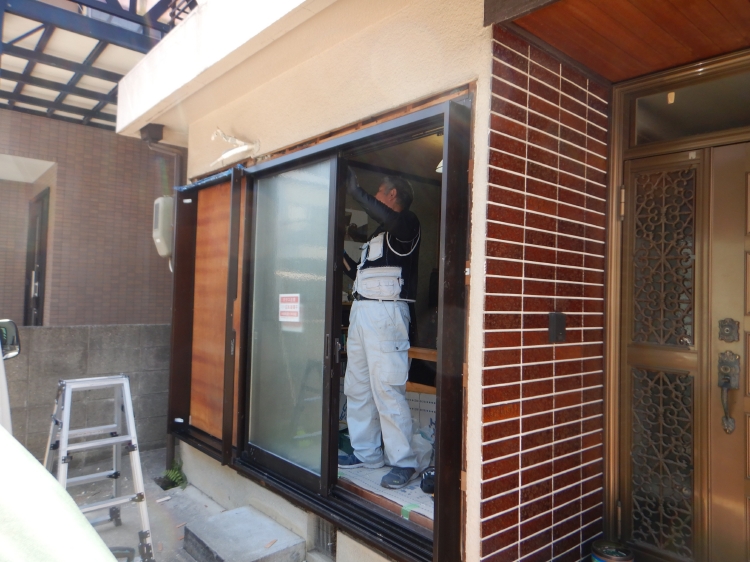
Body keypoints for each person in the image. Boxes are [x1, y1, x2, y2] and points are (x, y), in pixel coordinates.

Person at [338, 168, 421, 489]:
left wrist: (356, 192)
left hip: (387, 313)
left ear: (392, 195)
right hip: (362, 311)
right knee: (357, 387)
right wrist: (340, 254)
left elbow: (390, 218)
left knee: (387, 388)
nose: (374, 197)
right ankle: (366, 453)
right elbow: (358, 276)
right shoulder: (378, 236)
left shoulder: (408, 224)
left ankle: (404, 462)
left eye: (378, 192)